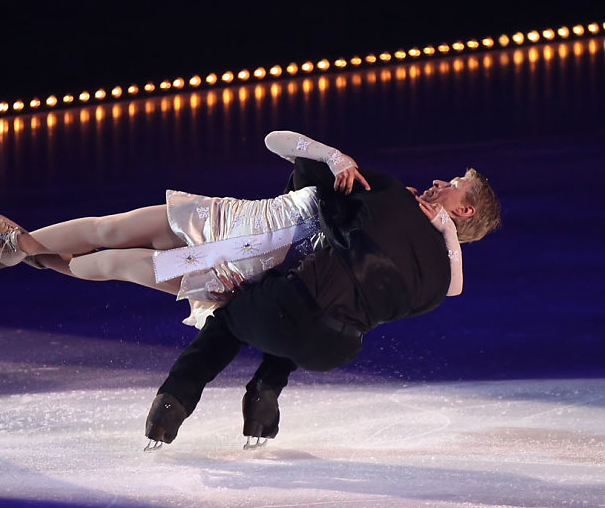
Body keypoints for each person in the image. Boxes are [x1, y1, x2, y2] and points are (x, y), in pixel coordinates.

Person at [143, 132, 500, 450]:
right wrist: (447, 234)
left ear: (464, 209)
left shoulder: (391, 194)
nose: (440, 180)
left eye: (453, 182)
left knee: (232, 314)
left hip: (285, 302)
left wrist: (333, 158)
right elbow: (454, 288)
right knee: (306, 310)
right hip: (333, 350)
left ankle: (173, 402)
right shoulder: (436, 279)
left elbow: (292, 155)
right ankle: (264, 397)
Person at [0, 131, 468, 329]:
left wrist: (445, 236)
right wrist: (331, 154)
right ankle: (16, 248)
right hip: (227, 216)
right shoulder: (372, 186)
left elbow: (452, 286)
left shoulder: (392, 246)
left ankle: (22, 254)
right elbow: (273, 139)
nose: (442, 182)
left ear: (462, 214)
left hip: (231, 268)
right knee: (109, 227)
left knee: (107, 264)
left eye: (456, 189)